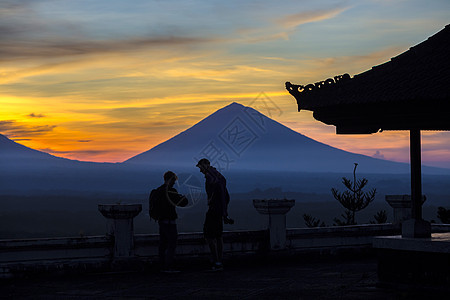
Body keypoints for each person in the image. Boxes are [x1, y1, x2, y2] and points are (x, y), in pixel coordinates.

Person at [196, 158, 233, 271]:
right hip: (219, 210)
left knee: (209, 235)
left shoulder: (211, 177)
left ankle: (217, 260)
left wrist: (211, 200)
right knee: (218, 235)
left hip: (214, 209)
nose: (200, 170)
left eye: (201, 167)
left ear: (206, 165)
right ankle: (219, 260)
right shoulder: (218, 176)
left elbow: (216, 189)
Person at [151, 171, 188, 273]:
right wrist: (184, 198)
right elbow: (182, 203)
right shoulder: (171, 191)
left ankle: (162, 266)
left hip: (161, 221)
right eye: (174, 181)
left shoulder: (158, 190)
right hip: (170, 222)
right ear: (171, 180)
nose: (174, 183)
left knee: (163, 244)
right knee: (171, 244)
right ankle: (169, 266)